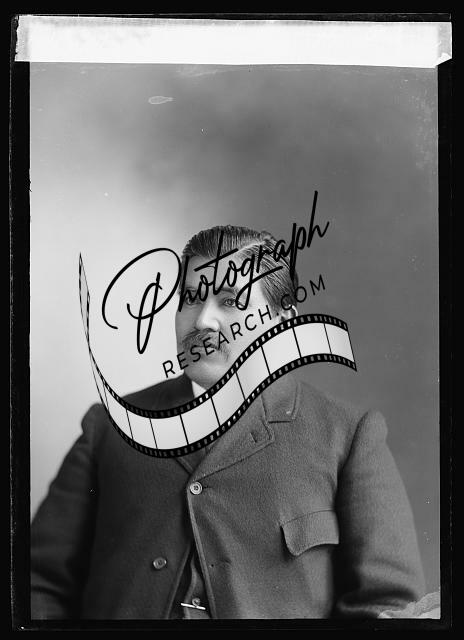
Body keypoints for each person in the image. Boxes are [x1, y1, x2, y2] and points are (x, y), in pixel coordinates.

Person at [31, 225, 425, 620]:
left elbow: (386, 605)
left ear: (282, 321)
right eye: (190, 298)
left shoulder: (347, 435)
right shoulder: (112, 425)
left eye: (231, 301)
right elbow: (37, 584)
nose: (203, 320)